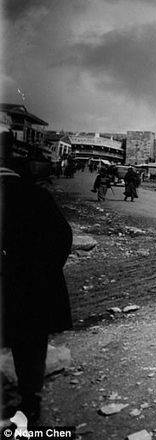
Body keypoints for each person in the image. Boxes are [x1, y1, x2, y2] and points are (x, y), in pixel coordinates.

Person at [1, 166, 73, 423]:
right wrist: (45, 272)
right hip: (33, 288)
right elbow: (64, 236)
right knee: (30, 345)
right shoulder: (38, 195)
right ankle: (30, 402)